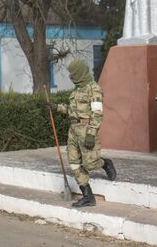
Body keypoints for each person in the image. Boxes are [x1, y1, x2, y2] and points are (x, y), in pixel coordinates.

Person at [54, 59, 117, 207]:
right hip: (73, 131)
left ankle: (105, 163)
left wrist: (92, 133)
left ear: (80, 72)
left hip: (86, 130)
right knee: (74, 163)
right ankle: (88, 196)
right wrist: (56, 107)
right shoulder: (75, 91)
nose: (71, 76)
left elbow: (97, 113)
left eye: (73, 73)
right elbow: (72, 111)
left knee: (90, 163)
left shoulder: (93, 89)